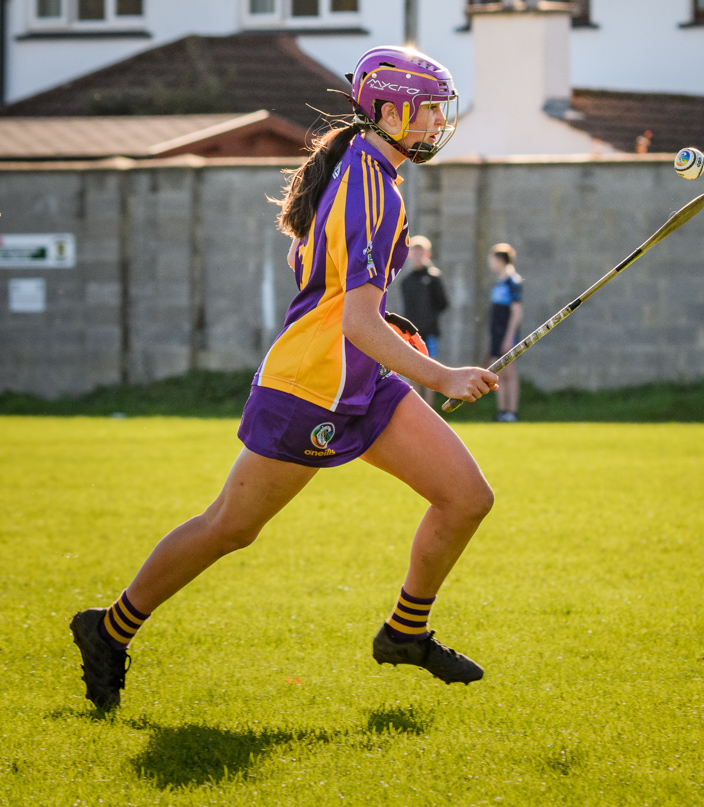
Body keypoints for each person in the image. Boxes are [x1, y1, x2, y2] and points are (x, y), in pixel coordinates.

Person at [69, 45, 499, 710]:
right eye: (425, 110)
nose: (435, 123)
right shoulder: (369, 188)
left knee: (466, 496)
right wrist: (439, 372)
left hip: (362, 380)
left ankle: (404, 632)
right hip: (310, 386)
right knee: (230, 528)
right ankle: (109, 628)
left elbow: (339, 297)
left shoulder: (367, 170)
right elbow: (353, 323)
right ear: (385, 110)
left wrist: (393, 333)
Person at [401, 235, 449, 406]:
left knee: (431, 369)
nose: (417, 255)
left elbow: (443, 303)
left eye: (421, 251)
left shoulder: (434, 277)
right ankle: (417, 406)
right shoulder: (406, 280)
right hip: (411, 334)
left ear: (427, 254)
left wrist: (429, 319)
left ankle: (430, 407)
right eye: (414, 251)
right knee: (414, 371)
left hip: (429, 332)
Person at [487, 243, 523, 423]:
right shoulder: (499, 282)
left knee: (510, 372)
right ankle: (502, 411)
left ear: (500, 259)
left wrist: (509, 337)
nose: (490, 263)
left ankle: (512, 411)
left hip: (507, 334)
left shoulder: (513, 281)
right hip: (496, 333)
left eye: (492, 259)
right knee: (499, 373)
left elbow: (516, 312)